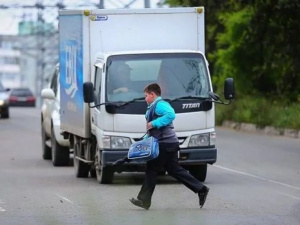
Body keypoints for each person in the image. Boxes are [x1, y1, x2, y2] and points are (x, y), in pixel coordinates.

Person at [129, 83, 209, 210]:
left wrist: (154, 123)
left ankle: (144, 200)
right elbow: (153, 131)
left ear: (152, 94)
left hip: (165, 144)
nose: (145, 99)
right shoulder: (153, 106)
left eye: (146, 96)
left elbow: (171, 114)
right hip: (169, 143)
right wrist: (142, 141)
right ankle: (201, 188)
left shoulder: (159, 104)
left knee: (151, 169)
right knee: (174, 169)